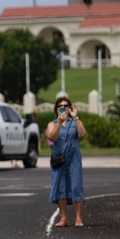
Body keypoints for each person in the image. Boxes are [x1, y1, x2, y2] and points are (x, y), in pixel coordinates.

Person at [44, 96, 87, 227]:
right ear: (56, 109)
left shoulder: (74, 122)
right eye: (60, 107)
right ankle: (63, 217)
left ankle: (78, 218)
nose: (63, 108)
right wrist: (59, 122)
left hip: (73, 157)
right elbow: (52, 137)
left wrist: (76, 118)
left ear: (70, 108)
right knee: (60, 186)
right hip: (59, 158)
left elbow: (82, 134)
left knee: (76, 185)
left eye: (66, 106)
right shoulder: (52, 123)